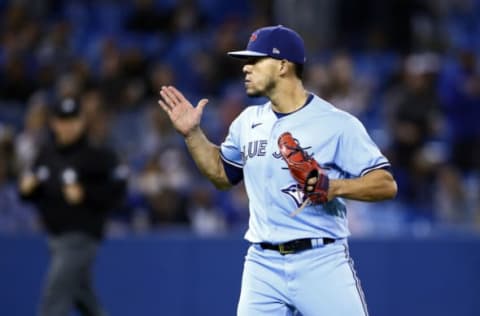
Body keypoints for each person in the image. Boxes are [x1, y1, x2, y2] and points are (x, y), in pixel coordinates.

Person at [158, 25, 397, 316]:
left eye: (256, 60)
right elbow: (222, 176)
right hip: (262, 264)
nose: (246, 68)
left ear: (283, 65)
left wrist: (334, 187)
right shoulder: (247, 121)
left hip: (320, 260)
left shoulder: (336, 123)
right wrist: (193, 135)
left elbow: (385, 184)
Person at [18, 97, 127, 316]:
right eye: (62, 120)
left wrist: (86, 194)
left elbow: (118, 194)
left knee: (55, 295)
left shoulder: (98, 155)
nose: (68, 126)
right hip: (54, 238)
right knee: (82, 296)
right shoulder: (46, 154)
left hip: (82, 236)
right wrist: (27, 190)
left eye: (73, 119)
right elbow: (31, 193)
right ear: (53, 123)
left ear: (82, 121)